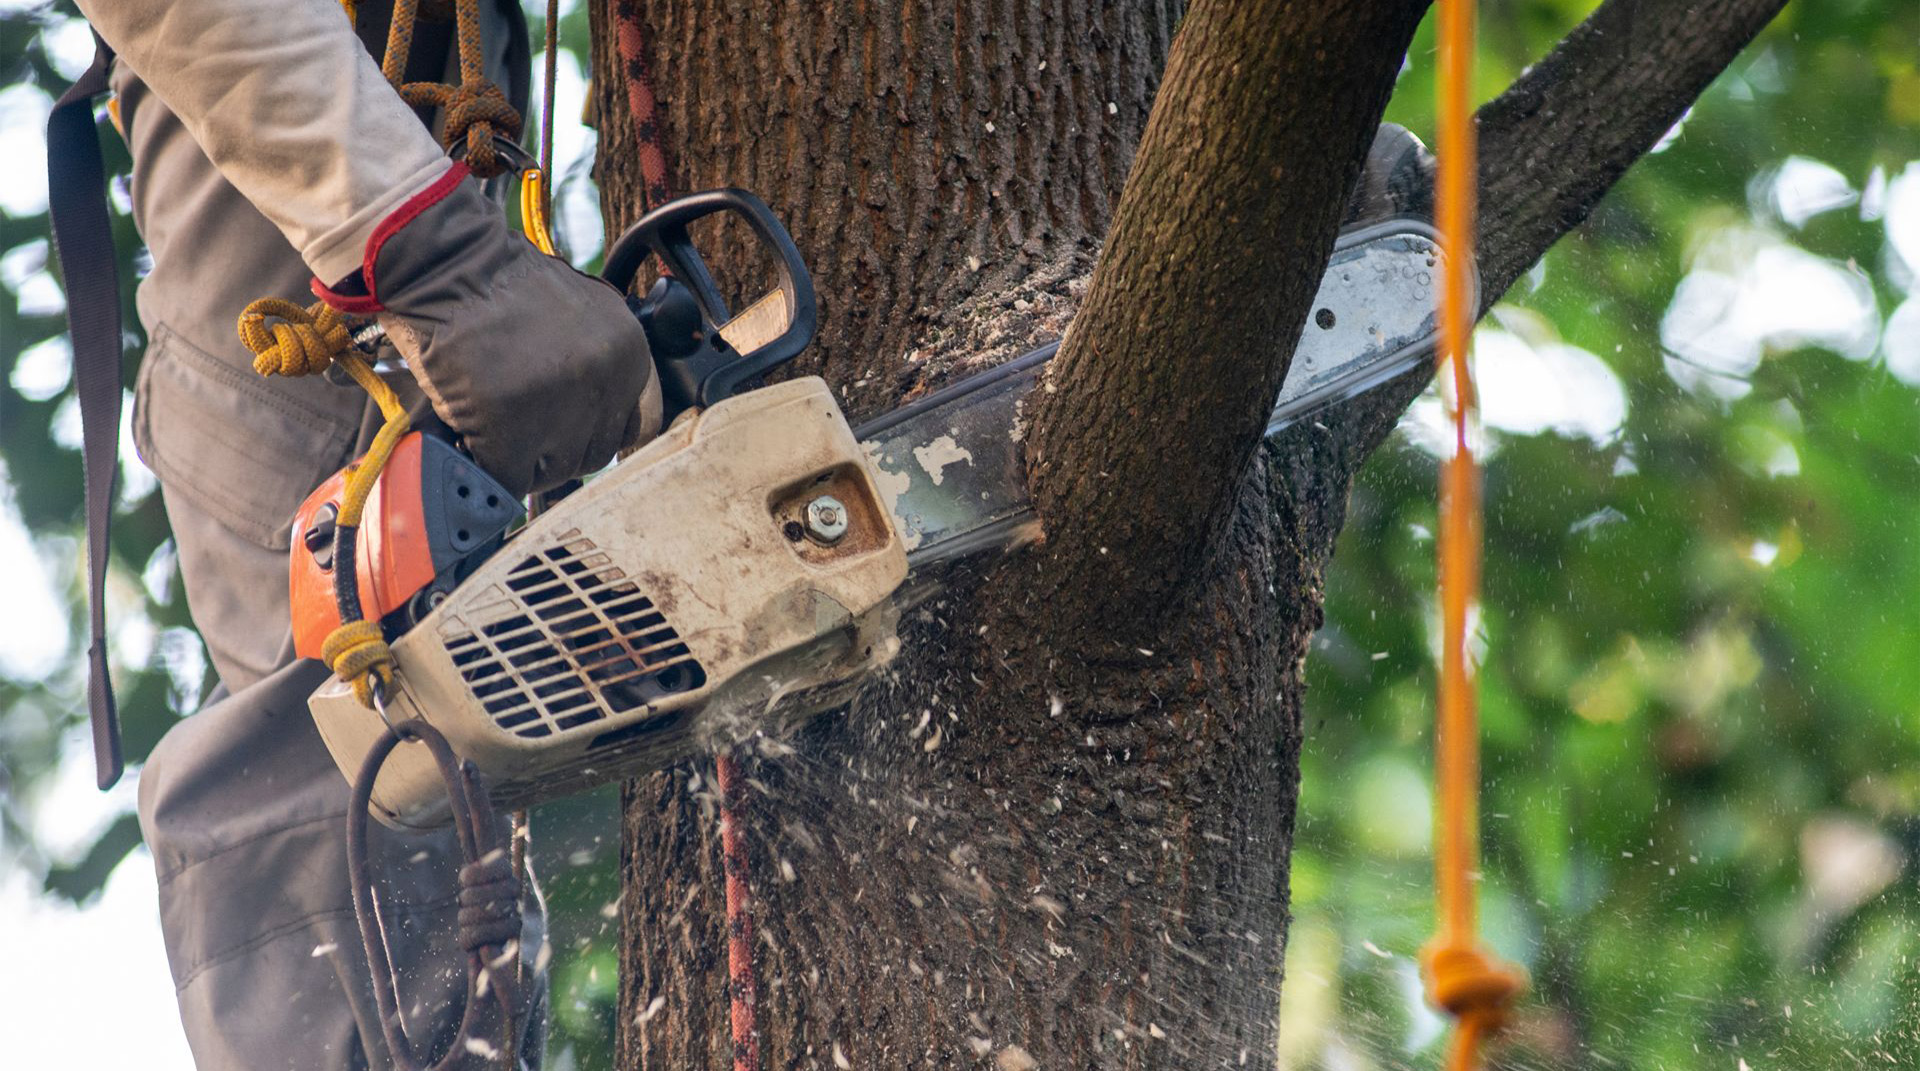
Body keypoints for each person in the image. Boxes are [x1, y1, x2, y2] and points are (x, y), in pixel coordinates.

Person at [65, 0, 661, 1066]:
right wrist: (422, 247)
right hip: (277, 86)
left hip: (405, 109)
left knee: (429, 740)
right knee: (350, 736)